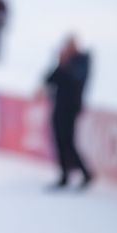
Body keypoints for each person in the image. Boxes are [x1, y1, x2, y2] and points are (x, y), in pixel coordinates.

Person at [41, 35, 94, 190]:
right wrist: (59, 63)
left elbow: (77, 79)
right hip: (58, 106)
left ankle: (86, 173)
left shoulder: (82, 60)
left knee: (68, 142)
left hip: (71, 108)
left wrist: (65, 64)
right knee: (59, 140)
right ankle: (64, 175)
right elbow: (49, 80)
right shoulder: (65, 62)